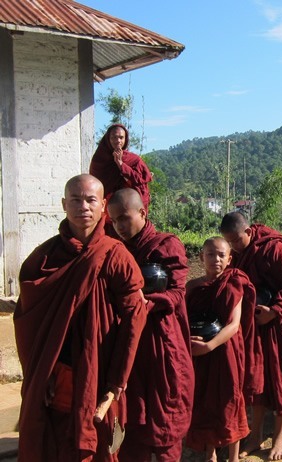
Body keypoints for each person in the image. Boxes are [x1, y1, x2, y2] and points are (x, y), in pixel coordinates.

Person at [14, 174, 147, 462]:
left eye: (90, 200)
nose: (83, 206)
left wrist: (117, 381)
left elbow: (135, 316)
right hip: (60, 369)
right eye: (75, 199)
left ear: (103, 205)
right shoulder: (44, 258)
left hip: (101, 369)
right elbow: (28, 321)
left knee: (98, 444)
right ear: (64, 204)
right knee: (58, 441)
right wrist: (40, 371)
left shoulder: (114, 254)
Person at [106, 188, 194, 462]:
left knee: (166, 416)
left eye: (124, 218)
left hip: (161, 341)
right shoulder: (114, 250)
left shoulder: (166, 245)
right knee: (133, 421)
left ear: (142, 213)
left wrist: (147, 303)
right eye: (114, 221)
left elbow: (178, 292)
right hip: (128, 342)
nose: (120, 226)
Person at [220, 212, 282, 461]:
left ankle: (278, 438)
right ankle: (255, 435)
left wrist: (275, 311)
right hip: (254, 325)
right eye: (230, 242)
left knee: (281, 379)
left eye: (237, 240)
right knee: (256, 379)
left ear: (248, 232)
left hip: (279, 322)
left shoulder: (274, 249)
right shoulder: (238, 253)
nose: (234, 247)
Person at [185, 237, 255, 462]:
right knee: (203, 399)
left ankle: (233, 457)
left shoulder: (234, 282)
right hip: (198, 353)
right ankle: (210, 453)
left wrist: (209, 345)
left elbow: (234, 325)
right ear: (201, 257)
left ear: (229, 259)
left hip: (226, 351)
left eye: (221, 255)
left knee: (229, 400)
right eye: (210, 254)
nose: (216, 259)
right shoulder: (192, 287)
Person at [90, 124, 152, 213]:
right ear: (108, 139)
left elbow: (141, 182)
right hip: (107, 206)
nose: (118, 141)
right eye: (114, 137)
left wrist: (121, 165)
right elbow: (94, 184)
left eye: (121, 137)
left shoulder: (133, 160)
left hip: (129, 206)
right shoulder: (99, 159)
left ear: (125, 139)